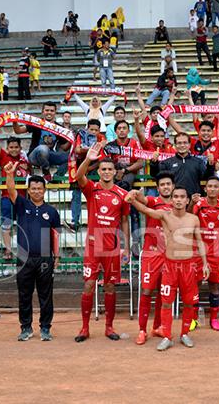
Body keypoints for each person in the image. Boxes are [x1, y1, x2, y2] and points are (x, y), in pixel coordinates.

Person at [128, 185, 208, 351]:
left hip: (188, 267)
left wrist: (205, 263)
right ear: (171, 200)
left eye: (181, 197)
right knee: (166, 303)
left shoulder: (193, 219)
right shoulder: (164, 215)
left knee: (188, 303)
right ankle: (167, 336)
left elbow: (199, 241)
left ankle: (185, 333)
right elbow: (145, 209)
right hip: (170, 266)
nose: (178, 200)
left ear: (187, 200)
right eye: (175, 197)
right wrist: (132, 200)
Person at [74, 143, 130, 343]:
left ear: (115, 172)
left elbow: (124, 221)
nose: (106, 172)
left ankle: (109, 326)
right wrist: (88, 158)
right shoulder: (92, 189)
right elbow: (78, 177)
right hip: (92, 247)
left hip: (112, 248)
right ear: (98, 172)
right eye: (103, 169)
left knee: (110, 287)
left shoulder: (122, 195)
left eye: (109, 169)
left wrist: (127, 247)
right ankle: (84, 328)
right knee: (89, 285)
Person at [2, 164, 60, 342]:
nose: (36, 191)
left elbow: (55, 235)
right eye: (33, 189)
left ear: (44, 190)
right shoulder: (21, 205)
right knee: (24, 294)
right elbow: (11, 190)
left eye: (39, 189)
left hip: (44, 258)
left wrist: (56, 256)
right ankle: (26, 328)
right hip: (24, 258)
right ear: (28, 190)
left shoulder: (51, 211)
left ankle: (45, 328)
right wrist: (10, 174)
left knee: (46, 296)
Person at [130, 173, 174, 344]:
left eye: (168, 184)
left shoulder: (178, 205)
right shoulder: (153, 201)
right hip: (151, 254)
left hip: (169, 255)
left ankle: (158, 327)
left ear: (173, 185)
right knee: (147, 291)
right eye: (162, 184)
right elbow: (140, 197)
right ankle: (142, 330)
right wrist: (134, 194)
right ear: (158, 188)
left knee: (164, 293)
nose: (165, 187)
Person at [0, 134, 30, 260]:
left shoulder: (25, 160)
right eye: (11, 147)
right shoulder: (4, 157)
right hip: (7, 197)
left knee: (23, 226)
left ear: (20, 148)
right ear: (7, 148)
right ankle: (8, 251)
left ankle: (23, 251)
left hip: (22, 198)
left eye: (16, 147)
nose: (14, 149)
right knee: (6, 225)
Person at [190, 176, 219, 331]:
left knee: (214, 285)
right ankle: (193, 319)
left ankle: (214, 319)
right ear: (205, 189)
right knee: (195, 285)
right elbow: (189, 218)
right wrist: (191, 202)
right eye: (209, 186)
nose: (212, 189)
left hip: (215, 252)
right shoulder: (199, 204)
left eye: (215, 186)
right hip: (198, 251)